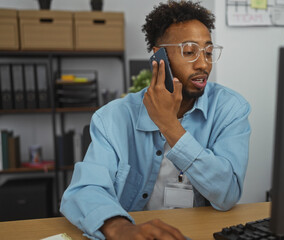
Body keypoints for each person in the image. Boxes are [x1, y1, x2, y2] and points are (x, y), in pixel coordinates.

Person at [60, 1, 251, 239]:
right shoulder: (113, 117)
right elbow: (84, 190)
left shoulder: (229, 108)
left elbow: (227, 194)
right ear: (158, 55)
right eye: (190, 52)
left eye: (209, 52)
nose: (203, 64)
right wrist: (121, 229)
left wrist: (170, 125)